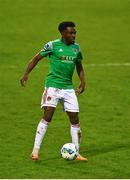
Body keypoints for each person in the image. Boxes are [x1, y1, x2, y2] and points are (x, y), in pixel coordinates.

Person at [20, 21, 87, 161]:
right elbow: (36, 58)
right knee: (48, 116)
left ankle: (76, 152)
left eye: (75, 32)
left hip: (68, 88)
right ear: (63, 33)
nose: (74, 35)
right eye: (71, 32)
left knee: (75, 119)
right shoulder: (52, 45)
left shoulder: (76, 48)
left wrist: (82, 81)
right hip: (53, 86)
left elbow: (79, 65)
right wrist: (26, 74)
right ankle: (35, 151)